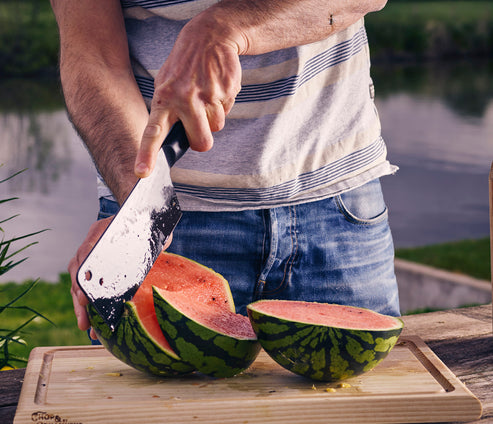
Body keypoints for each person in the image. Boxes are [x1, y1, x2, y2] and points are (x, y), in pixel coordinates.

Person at [51, 0, 400, 341]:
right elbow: (93, 56)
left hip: (337, 212)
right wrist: (139, 203)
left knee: (366, 398)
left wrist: (226, 26)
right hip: (174, 230)